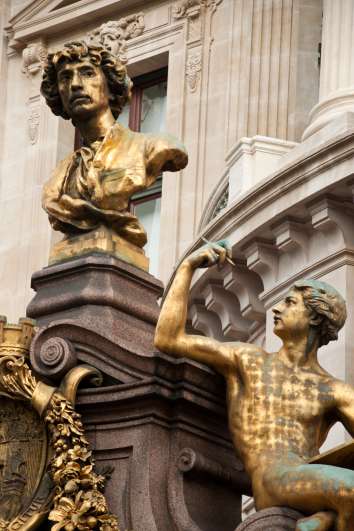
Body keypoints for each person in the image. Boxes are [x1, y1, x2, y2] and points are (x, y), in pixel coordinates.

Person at [154, 241, 354, 531]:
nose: (277, 308)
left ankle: (323, 522)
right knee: (349, 489)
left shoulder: (335, 391)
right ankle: (325, 520)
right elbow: (168, 338)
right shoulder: (249, 360)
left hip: (307, 478)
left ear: (313, 316)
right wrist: (187, 267)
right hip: (271, 479)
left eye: (290, 302)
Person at [40, 40, 187, 248]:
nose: (74, 84)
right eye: (65, 77)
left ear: (110, 87)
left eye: (87, 73)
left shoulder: (154, 146)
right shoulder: (60, 177)